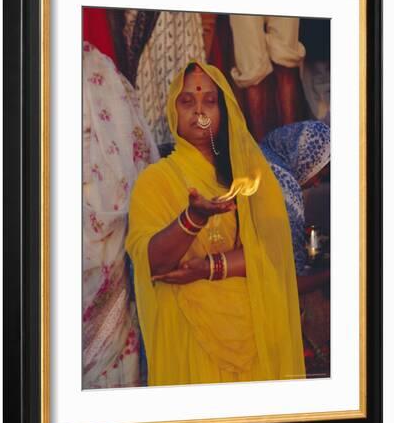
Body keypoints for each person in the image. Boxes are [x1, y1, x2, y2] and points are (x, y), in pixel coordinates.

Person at [124, 59, 306, 386]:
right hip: (187, 334)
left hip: (249, 331)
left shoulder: (247, 177)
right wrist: (193, 218)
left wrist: (207, 267)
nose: (199, 110)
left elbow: (270, 253)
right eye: (187, 101)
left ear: (223, 112)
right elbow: (152, 262)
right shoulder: (154, 180)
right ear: (172, 112)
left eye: (210, 101)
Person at [259, 121, 331, 293]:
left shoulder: (261, 152)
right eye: (319, 176)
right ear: (306, 158)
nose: (315, 184)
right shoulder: (286, 190)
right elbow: (291, 283)